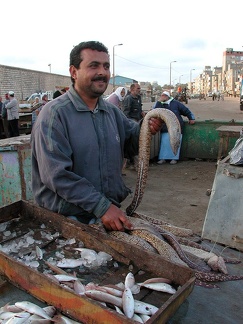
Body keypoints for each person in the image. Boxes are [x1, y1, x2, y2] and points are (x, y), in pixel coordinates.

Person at [31, 41, 163, 232]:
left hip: (106, 213)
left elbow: (130, 142)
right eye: (94, 66)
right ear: (74, 72)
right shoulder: (54, 115)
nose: (102, 72)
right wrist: (101, 207)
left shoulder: (111, 111)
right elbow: (57, 175)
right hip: (66, 220)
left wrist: (146, 128)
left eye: (106, 66)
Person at [154, 91, 195, 165]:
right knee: (165, 143)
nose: (163, 97)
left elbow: (186, 111)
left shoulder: (176, 103)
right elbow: (154, 111)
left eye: (165, 95)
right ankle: (163, 158)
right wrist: (159, 102)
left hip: (176, 127)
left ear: (168, 96)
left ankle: (174, 158)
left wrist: (191, 118)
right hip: (165, 127)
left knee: (175, 142)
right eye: (162, 95)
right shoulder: (160, 104)